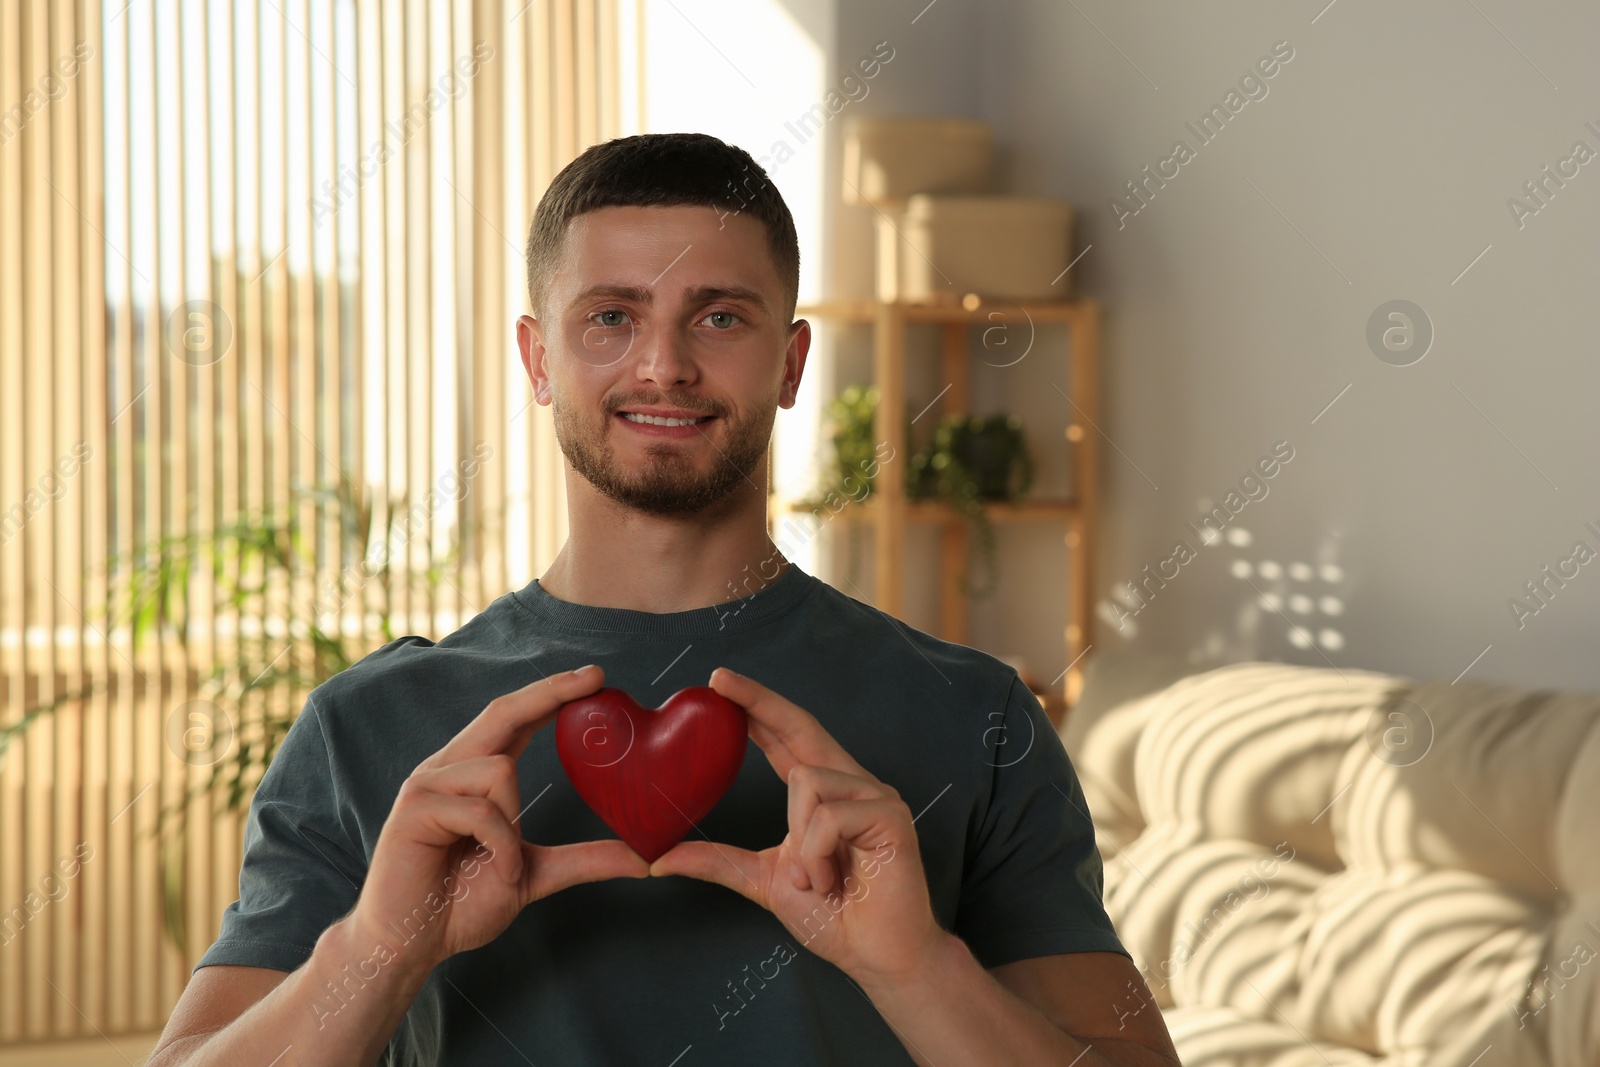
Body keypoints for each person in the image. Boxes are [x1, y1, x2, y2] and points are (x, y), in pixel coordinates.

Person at [148, 132, 1179, 1067]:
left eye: (718, 316)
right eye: (610, 317)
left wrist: (916, 967)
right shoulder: (365, 728)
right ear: (538, 358)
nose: (663, 364)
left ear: (790, 361)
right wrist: (376, 949)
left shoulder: (976, 716)